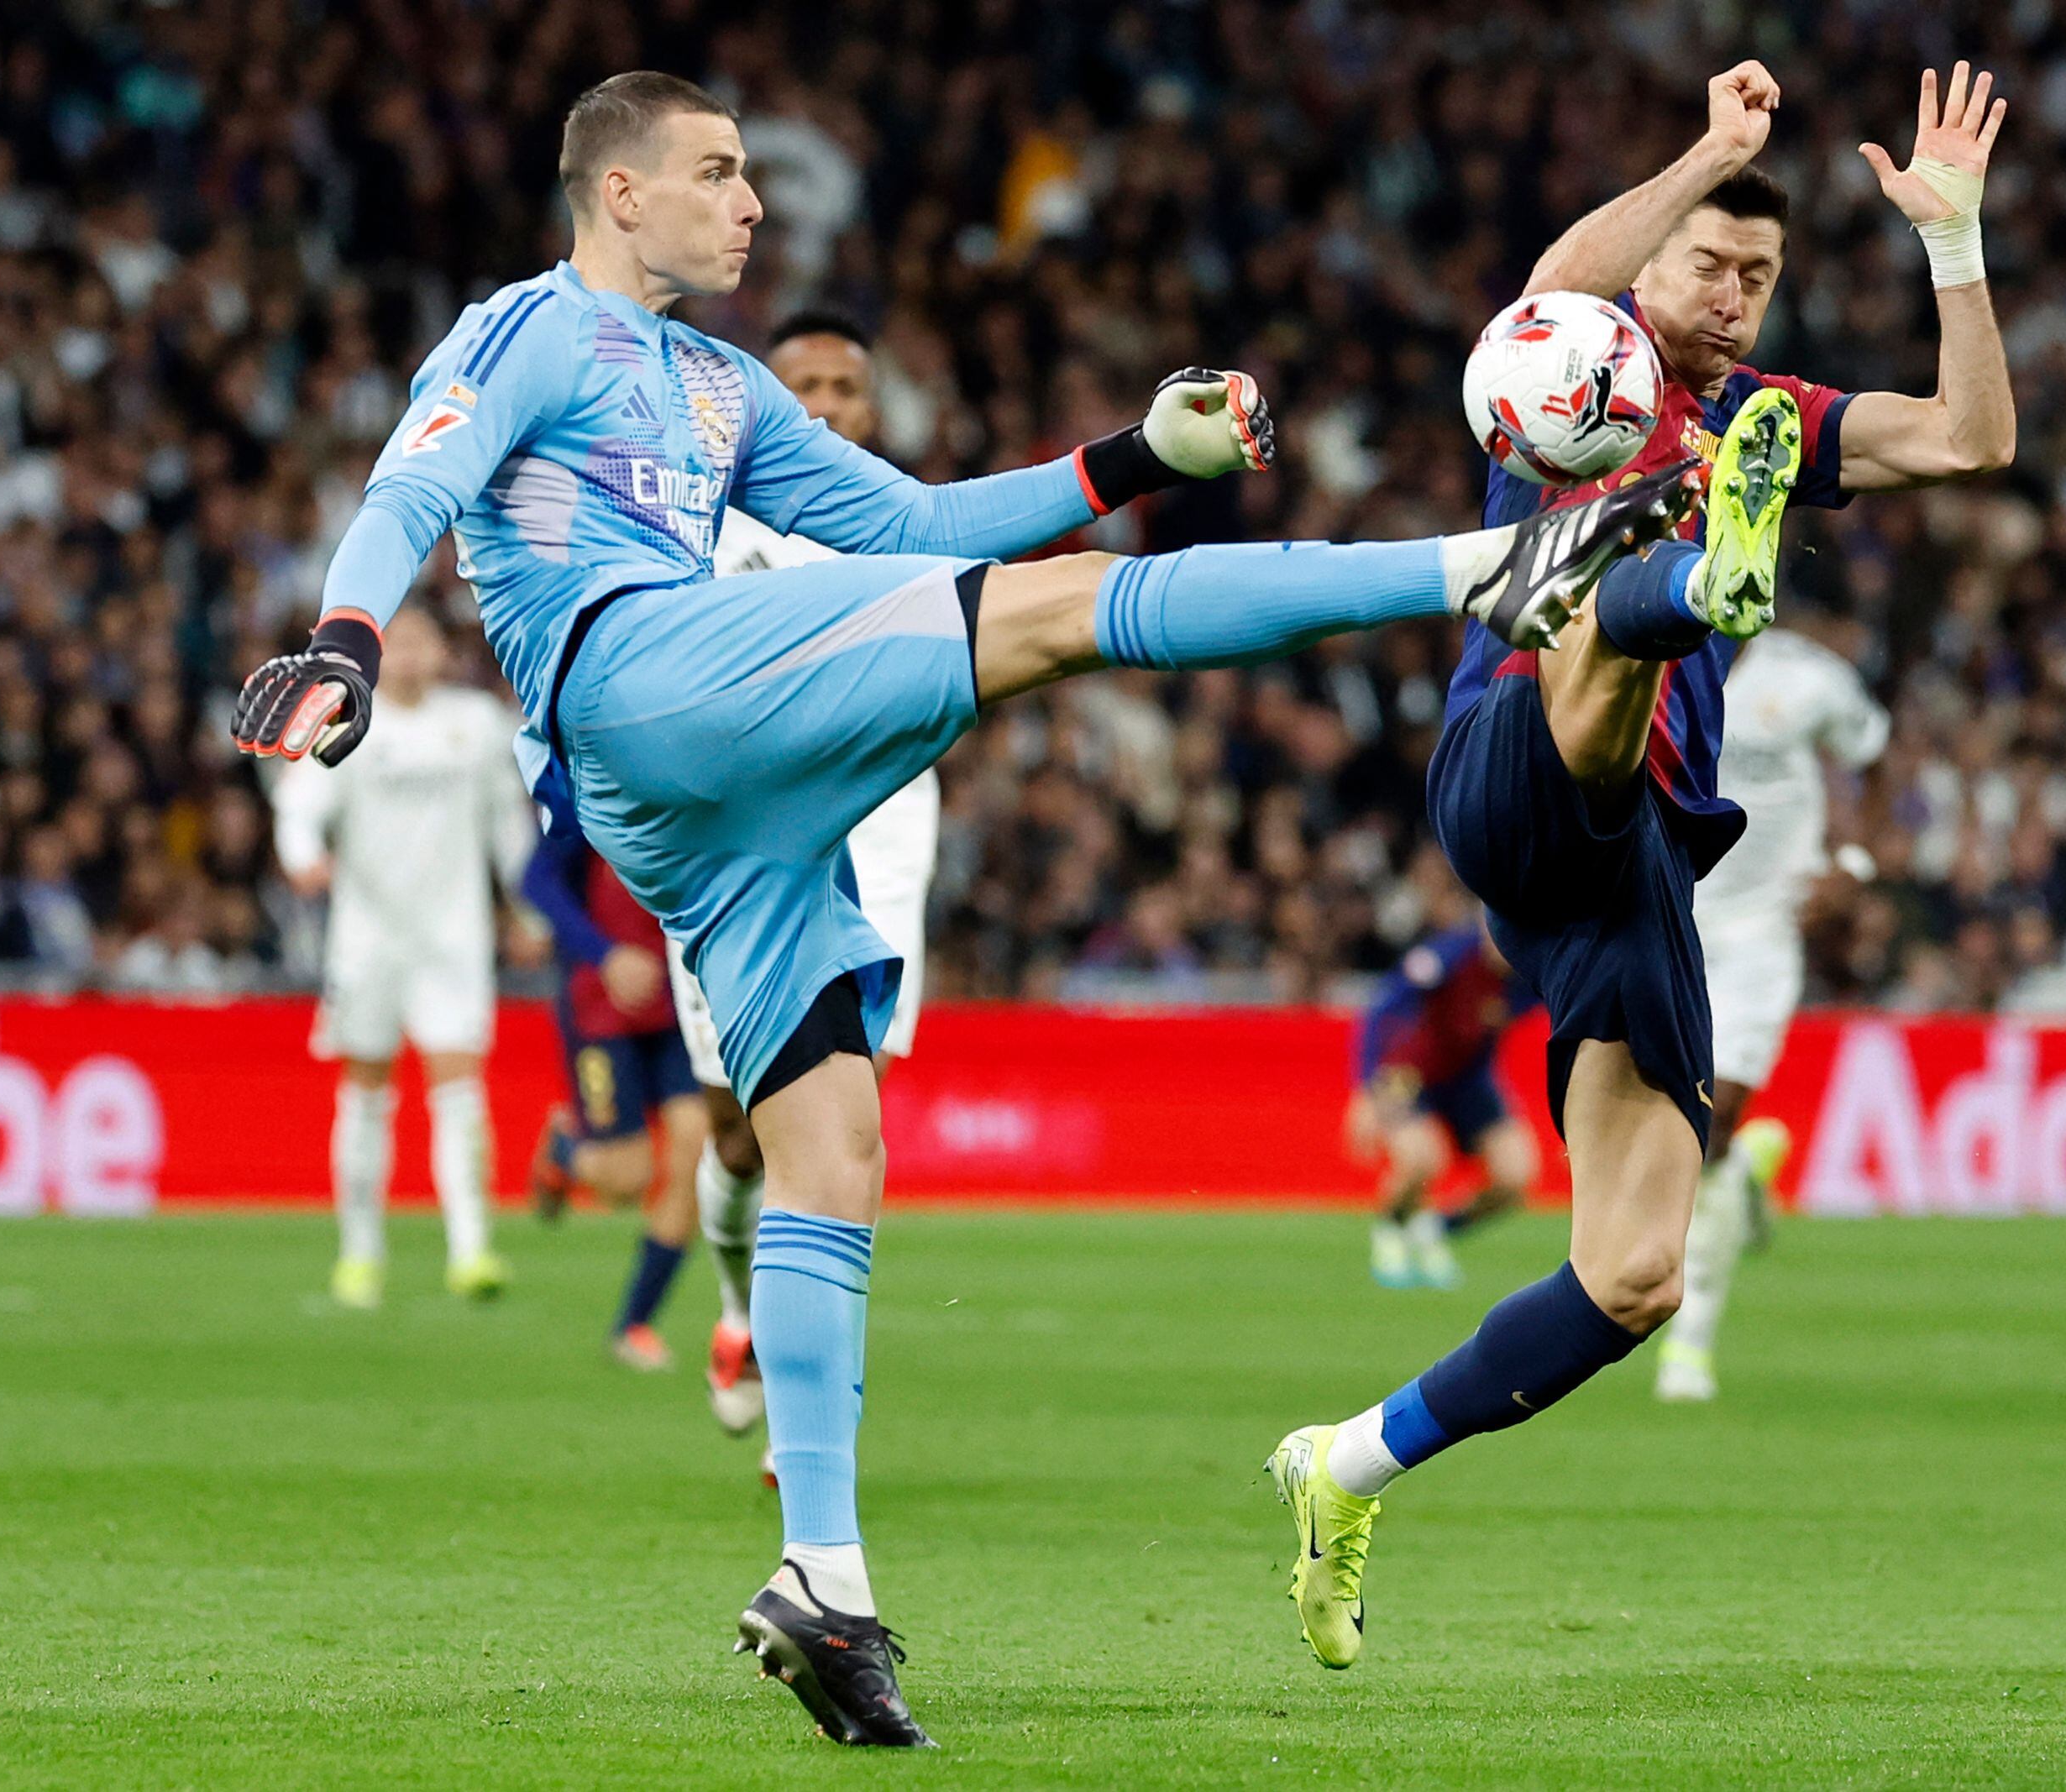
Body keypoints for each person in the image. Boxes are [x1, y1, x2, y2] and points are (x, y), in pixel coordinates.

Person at [229, 71, 1679, 1747]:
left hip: (707, 801)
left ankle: (823, 1582)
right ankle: (1497, 570)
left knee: (832, 1144)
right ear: (615, 192)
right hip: (637, 675)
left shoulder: (720, 383)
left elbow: (914, 521)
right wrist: (344, 636)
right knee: (1063, 621)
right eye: (713, 173)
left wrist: (1137, 452)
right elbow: (413, 483)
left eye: (749, 175)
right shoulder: (529, 332)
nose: (749, 202)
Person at [1266, 58, 2015, 1671]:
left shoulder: (1772, 411)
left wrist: (1953, 244)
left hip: (1635, 866)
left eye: (1761, 275)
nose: (1736, 295)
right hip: (1515, 757)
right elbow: (1552, 281)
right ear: (1654, 262)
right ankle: (1685, 580)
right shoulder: (1576, 359)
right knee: (1605, 618)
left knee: (1634, 1275)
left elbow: (1967, 439)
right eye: (1711, 265)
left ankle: (1343, 1462)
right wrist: (1710, 153)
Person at [659, 310, 943, 1467]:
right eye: (804, 383)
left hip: (878, 834)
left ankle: (816, 1401)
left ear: (876, 409)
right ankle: (739, 1310)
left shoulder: (907, 524)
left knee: (841, 1120)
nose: (827, 402)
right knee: (739, 1131)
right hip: (735, 843)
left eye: (848, 384)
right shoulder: (695, 521)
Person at [1654, 617, 1889, 1402]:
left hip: (1765, 929)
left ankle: (1688, 1346)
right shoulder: (1654, 656)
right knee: (1670, 1127)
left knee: (1711, 1124)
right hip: (1669, 914)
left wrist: (1852, 864)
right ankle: (1748, 1175)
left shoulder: (1810, 679)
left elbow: (1869, 758)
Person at [270, 605, 531, 1307]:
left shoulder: (477, 724)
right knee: (364, 1092)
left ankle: (471, 1248)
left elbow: (508, 821)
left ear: (444, 651)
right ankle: (360, 1253)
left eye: (424, 641)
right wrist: (302, 856)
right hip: (368, 938)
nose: (412, 655)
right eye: (400, 643)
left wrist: (526, 905)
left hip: (453, 937)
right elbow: (299, 804)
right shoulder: (350, 718)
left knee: (460, 1092)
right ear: (382, 654)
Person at [520, 763, 711, 1370]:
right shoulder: (597, 783)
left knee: (697, 1156)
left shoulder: (706, 780)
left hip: (680, 1007)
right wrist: (604, 957)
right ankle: (565, 1154)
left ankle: (634, 1324)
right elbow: (537, 881)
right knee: (628, 1180)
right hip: (604, 1012)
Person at [1348, 914, 1539, 1290]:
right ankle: (1389, 1235)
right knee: (1422, 1160)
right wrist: (1365, 1086)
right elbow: (1384, 1007)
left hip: (1469, 1079)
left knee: (1516, 1176)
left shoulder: (1532, 973)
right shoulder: (1447, 956)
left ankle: (1430, 1229)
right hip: (1408, 1072)